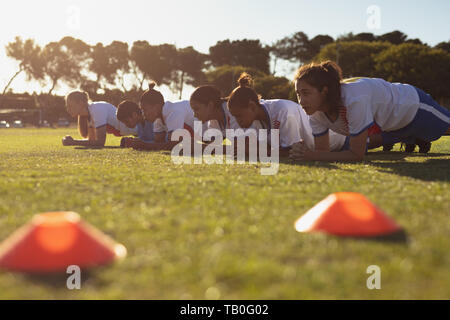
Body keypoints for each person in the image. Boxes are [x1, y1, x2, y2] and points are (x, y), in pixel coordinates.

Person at [290, 61, 450, 162]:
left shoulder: (353, 99)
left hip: (412, 106)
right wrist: (306, 153)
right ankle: (413, 138)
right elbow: (323, 152)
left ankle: (416, 136)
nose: (301, 101)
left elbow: (356, 155)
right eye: (298, 94)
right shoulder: (315, 112)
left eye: (306, 93)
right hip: (391, 127)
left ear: (324, 91)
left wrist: (312, 155)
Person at [226, 73, 348, 157]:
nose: (238, 121)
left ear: (252, 106)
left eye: (239, 116)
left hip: (340, 142)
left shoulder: (283, 111)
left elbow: (290, 151)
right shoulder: (255, 117)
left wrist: (255, 150)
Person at [131, 82, 195, 151]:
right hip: (199, 137)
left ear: (157, 107)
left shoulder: (173, 112)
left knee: (192, 146)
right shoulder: (158, 120)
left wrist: (144, 145)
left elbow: (174, 145)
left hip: (205, 135)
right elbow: (159, 142)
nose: (143, 114)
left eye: (145, 110)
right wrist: (142, 144)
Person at [62, 91, 137, 147]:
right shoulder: (90, 115)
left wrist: (73, 142)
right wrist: (72, 141)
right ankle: (132, 141)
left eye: (70, 105)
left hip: (141, 129)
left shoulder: (96, 109)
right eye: (67, 106)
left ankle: (132, 141)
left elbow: (100, 143)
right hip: (136, 133)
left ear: (81, 103)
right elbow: (92, 141)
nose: (68, 109)